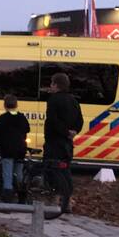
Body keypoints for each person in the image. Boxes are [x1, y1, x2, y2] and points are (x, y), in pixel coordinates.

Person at [44, 72, 83, 216]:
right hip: (67, 143)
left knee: (52, 169)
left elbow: (53, 121)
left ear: (56, 85)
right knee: (66, 171)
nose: (50, 86)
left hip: (55, 141)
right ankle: (67, 201)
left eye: (52, 84)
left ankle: (56, 199)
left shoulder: (53, 100)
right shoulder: (74, 100)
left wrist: (65, 131)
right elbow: (80, 120)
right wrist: (74, 132)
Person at [0, 94, 30, 202]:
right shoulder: (21, 117)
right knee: (19, 173)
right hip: (21, 149)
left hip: (8, 149)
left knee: (7, 173)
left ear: (5, 105)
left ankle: (7, 197)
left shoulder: (4, 118)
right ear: (16, 105)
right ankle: (21, 196)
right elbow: (27, 129)